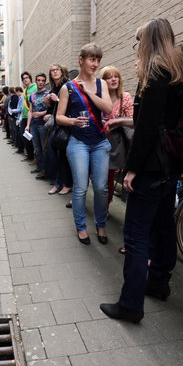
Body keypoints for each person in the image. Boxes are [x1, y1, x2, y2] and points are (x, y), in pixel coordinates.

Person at [100, 18, 183, 323]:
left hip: (151, 166)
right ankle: (159, 282)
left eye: (139, 41)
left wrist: (131, 170)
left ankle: (131, 305)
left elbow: (147, 128)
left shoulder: (154, 73)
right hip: (172, 163)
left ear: (149, 42)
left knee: (136, 235)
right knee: (163, 226)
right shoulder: (179, 70)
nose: (137, 47)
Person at [56, 43, 113, 245]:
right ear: (81, 60)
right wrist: (73, 121)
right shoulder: (68, 88)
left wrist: (89, 93)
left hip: (99, 142)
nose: (95, 64)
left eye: (98, 60)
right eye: (91, 59)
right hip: (78, 142)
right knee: (80, 188)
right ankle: (81, 227)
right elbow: (59, 117)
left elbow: (108, 108)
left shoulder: (101, 84)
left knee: (100, 188)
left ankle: (100, 224)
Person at [99, 65, 134, 254]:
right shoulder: (100, 97)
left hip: (117, 142)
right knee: (99, 177)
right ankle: (102, 204)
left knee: (109, 177)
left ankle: (105, 206)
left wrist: (116, 121)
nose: (114, 80)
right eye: (109, 77)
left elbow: (132, 119)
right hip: (99, 140)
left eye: (116, 77)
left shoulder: (125, 97)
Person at [44, 64, 72, 195]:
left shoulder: (67, 85)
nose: (54, 72)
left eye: (57, 70)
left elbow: (71, 103)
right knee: (53, 155)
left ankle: (66, 184)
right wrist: (48, 104)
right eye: (52, 70)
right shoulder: (53, 87)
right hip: (55, 125)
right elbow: (52, 110)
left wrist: (58, 99)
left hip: (65, 125)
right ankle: (58, 182)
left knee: (63, 156)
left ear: (62, 71)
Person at [25, 73, 49, 177]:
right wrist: (28, 125)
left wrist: (40, 113)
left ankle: (45, 170)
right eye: (38, 80)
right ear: (36, 81)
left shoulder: (48, 93)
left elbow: (51, 110)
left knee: (44, 147)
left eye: (43, 80)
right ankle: (39, 167)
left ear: (45, 82)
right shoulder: (32, 95)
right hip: (34, 125)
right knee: (37, 147)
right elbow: (30, 111)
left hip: (43, 124)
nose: (40, 82)